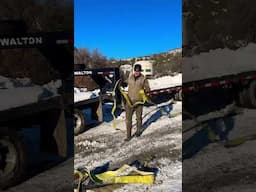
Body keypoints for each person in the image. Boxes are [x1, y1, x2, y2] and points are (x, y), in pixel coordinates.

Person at [124, 64, 150, 141]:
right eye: (135, 71)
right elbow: (125, 83)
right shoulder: (130, 77)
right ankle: (128, 136)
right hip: (129, 101)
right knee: (128, 119)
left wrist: (144, 91)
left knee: (138, 118)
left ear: (140, 71)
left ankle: (138, 131)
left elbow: (148, 89)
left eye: (138, 71)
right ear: (134, 70)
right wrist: (121, 83)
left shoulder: (143, 78)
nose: (136, 72)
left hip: (139, 101)